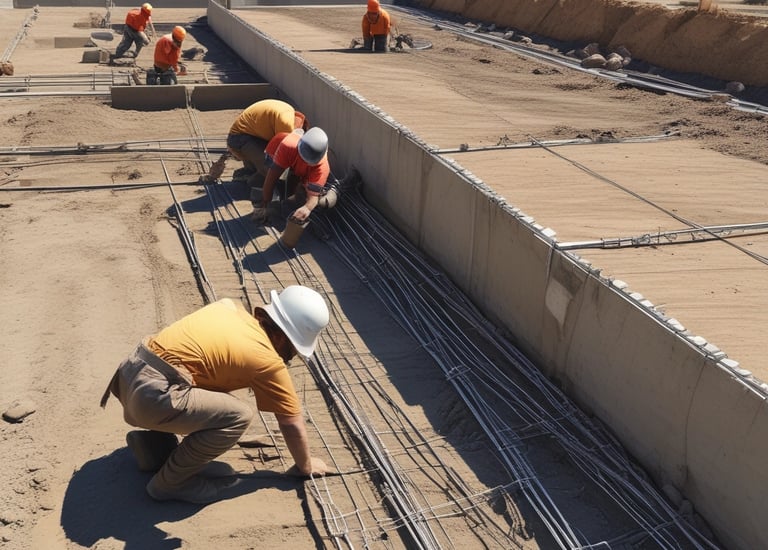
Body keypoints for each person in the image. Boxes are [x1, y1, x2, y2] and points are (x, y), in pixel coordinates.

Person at [100, 286, 331, 504]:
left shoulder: (229, 307)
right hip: (154, 395)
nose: (289, 358)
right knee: (238, 415)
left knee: (209, 386)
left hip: (130, 374)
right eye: (292, 349)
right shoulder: (267, 360)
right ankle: (170, 484)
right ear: (281, 337)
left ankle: (157, 450)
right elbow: (291, 423)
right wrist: (306, 465)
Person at [253, 127, 337, 225]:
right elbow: (272, 177)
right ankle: (256, 182)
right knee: (269, 176)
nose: (306, 162)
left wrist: (307, 208)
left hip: (301, 168)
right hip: (278, 149)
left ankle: (341, 186)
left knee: (303, 195)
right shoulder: (288, 146)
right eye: (304, 159)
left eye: (309, 162)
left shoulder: (322, 168)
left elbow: (313, 197)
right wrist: (265, 203)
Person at [226, 99, 308, 188]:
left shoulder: (289, 114)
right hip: (239, 138)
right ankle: (251, 183)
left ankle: (249, 171)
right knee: (269, 170)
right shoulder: (286, 125)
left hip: (252, 134)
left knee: (266, 163)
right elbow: (285, 154)